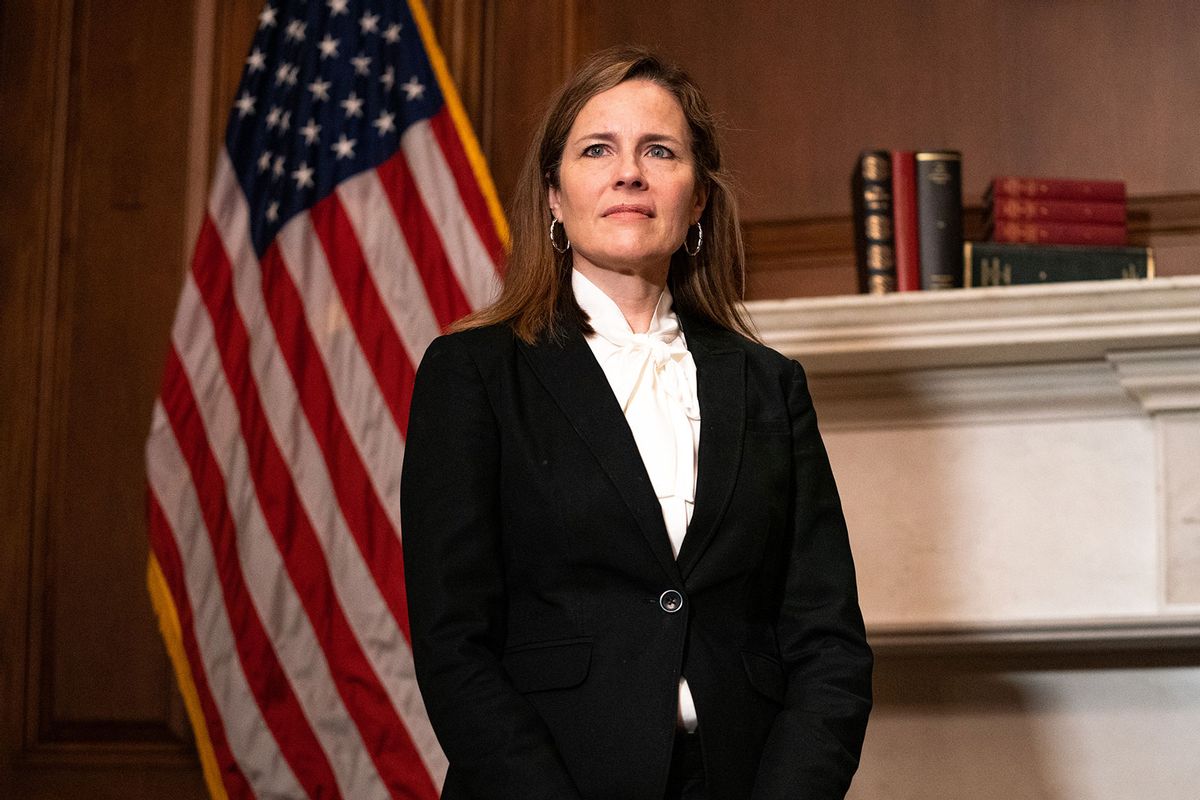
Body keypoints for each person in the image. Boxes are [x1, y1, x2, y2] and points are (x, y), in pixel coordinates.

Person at [400, 45, 872, 800]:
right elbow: (455, 647)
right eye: (598, 149)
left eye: (659, 150)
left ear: (699, 200)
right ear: (554, 196)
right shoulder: (473, 375)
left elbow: (829, 647)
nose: (629, 172)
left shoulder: (770, 386)